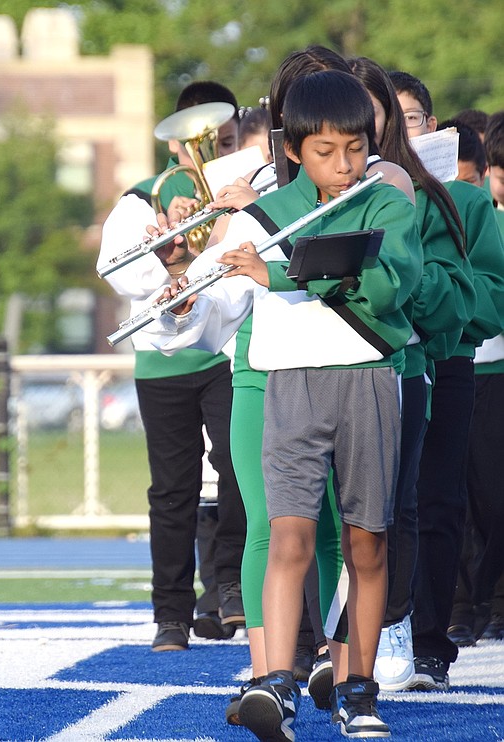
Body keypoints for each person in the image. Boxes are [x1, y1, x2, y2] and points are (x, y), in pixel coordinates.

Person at [153, 68, 423, 740]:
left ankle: (359, 689)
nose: (345, 164)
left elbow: (391, 287)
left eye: (357, 147)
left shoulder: (388, 200)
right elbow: (221, 303)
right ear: (295, 150)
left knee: (366, 540)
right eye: (326, 151)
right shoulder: (260, 213)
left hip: (368, 376)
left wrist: (279, 269)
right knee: (287, 534)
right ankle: (273, 682)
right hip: (288, 385)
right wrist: (187, 295)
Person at [338, 58, 476, 696]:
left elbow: (465, 300)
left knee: (396, 507)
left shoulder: (429, 192)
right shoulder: (306, 186)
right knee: (311, 515)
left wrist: (400, 278)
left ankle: (392, 621)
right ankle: (316, 639)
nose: (359, 125)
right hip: (313, 368)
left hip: (403, 366)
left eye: (371, 112)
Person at [97, 80, 247, 651]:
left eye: (225, 140)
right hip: (163, 359)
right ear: (174, 149)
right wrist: (171, 249)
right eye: (201, 143)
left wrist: (222, 222)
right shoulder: (140, 201)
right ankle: (171, 615)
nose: (211, 154)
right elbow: (121, 274)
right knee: (173, 490)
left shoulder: (243, 192)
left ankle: (230, 587)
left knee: (239, 469)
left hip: (225, 351)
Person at [390, 70, 504, 691]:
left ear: (432, 129)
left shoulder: (468, 200)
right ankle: (376, 633)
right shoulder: (372, 192)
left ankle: (432, 643)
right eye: (390, 120)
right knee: (380, 507)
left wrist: (438, 306)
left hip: (450, 360)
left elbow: (489, 298)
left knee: (436, 503)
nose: (401, 132)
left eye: (411, 119)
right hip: (383, 365)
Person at [449, 111, 504, 646]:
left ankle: (489, 600)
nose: (463, 193)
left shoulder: (489, 218)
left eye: (472, 183)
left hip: (492, 368)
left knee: (491, 495)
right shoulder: (432, 214)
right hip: (453, 364)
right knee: (452, 500)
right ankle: (460, 605)